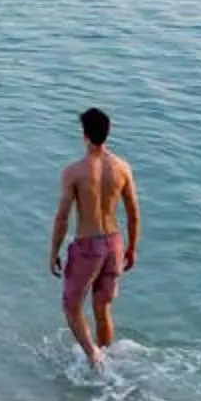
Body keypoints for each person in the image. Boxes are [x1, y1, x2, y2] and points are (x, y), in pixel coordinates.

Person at [50, 106, 140, 371]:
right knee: (103, 307)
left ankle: (93, 358)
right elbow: (134, 213)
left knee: (71, 305)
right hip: (114, 243)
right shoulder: (122, 168)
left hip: (88, 246)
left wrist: (53, 251)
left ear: (84, 135)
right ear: (107, 133)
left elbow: (63, 217)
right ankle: (108, 360)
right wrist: (132, 248)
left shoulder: (73, 172)